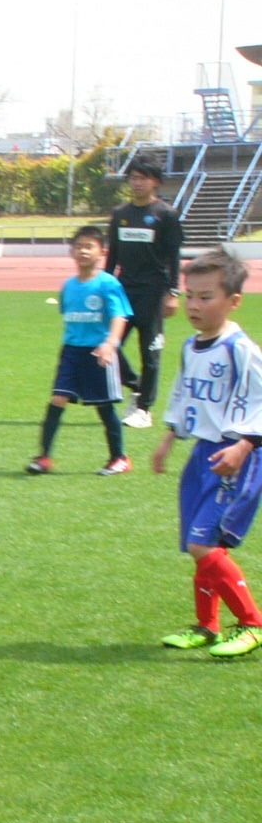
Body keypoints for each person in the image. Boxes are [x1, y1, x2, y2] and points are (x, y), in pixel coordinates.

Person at [152, 249, 262, 658]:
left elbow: (260, 399)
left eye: (206, 297)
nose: (194, 306)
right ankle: (207, 626)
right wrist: (169, 438)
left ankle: (252, 624)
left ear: (233, 301)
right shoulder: (189, 346)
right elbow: (183, 394)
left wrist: (246, 444)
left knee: (204, 545)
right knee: (199, 546)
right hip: (202, 454)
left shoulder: (241, 348)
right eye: (190, 296)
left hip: (236, 456)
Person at [26, 226, 132, 476]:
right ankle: (44, 457)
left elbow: (119, 315)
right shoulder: (69, 286)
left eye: (89, 246)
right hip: (71, 352)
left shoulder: (108, 283)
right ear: (71, 251)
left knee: (104, 406)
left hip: (98, 353)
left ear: (102, 252)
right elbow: (66, 313)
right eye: (79, 246)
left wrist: (110, 343)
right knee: (57, 399)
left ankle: (119, 457)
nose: (83, 251)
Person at [107, 157, 184, 429]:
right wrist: (105, 286)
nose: (137, 183)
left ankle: (144, 409)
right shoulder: (120, 214)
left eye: (143, 178)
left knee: (149, 352)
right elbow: (112, 256)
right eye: (133, 178)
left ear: (156, 181)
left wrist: (173, 292)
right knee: (108, 344)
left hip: (153, 292)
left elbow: (174, 257)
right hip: (123, 291)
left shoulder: (166, 215)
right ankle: (137, 385)